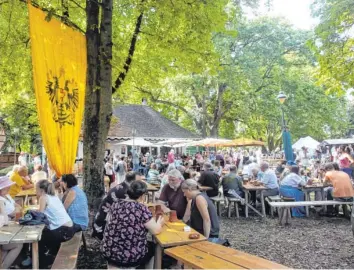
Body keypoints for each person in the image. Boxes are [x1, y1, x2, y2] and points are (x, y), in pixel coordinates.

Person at [101, 180, 164, 268]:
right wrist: (160, 222)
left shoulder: (116, 203)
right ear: (142, 196)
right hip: (130, 257)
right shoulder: (141, 209)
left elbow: (108, 221)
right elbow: (156, 230)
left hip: (109, 251)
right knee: (152, 247)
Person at [37, 180, 74, 261]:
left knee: (38, 238)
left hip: (62, 231)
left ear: (41, 190)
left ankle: (41, 262)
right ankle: (50, 255)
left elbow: (39, 216)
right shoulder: (54, 196)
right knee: (46, 233)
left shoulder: (43, 197)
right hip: (69, 229)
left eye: (36, 189)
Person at [93, 172, 137, 239]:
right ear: (133, 181)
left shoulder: (122, 186)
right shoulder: (125, 192)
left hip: (102, 220)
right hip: (104, 226)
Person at [0, 176, 23, 269]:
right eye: (7, 186)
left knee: (6, 248)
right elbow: (11, 214)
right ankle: (4, 267)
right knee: (18, 244)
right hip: (5, 228)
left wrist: (16, 211)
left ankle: (4, 266)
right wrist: (16, 211)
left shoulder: (7, 195)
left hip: (10, 226)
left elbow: (18, 207)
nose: (9, 188)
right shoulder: (0, 200)